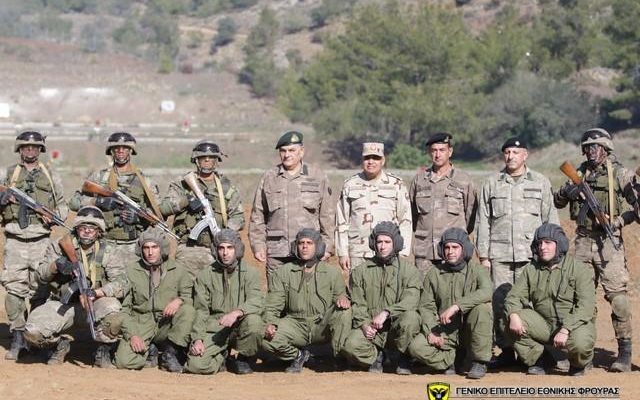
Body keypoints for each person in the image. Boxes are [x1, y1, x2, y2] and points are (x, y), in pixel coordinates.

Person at [554, 128, 637, 372]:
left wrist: (617, 222)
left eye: (596, 147)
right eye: (587, 148)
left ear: (606, 149)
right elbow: (557, 201)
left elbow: (636, 211)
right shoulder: (578, 173)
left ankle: (624, 354)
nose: (591, 152)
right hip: (582, 242)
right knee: (581, 299)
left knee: (619, 300)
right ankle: (583, 353)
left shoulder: (620, 174)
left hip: (609, 244)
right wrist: (567, 192)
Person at [475, 137, 559, 368]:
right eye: (507, 152)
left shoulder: (540, 182)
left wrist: (552, 254)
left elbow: (550, 220)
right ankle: (506, 350)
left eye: (515, 152)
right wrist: (484, 256)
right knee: (500, 303)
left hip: (532, 257)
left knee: (531, 303)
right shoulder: (491, 183)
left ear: (525, 155)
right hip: (500, 256)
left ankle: (533, 353)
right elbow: (483, 221)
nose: (510, 156)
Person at [24, 206, 127, 367]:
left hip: (93, 302)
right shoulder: (60, 246)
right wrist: (56, 265)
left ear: (99, 231)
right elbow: (39, 276)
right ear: (76, 228)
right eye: (83, 227)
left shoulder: (109, 251)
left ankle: (103, 351)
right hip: (62, 304)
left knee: (114, 314)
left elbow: (121, 282)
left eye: (92, 228)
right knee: (33, 331)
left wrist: (98, 292)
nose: (87, 231)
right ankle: (59, 345)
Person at [0, 131, 68, 360]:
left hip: (41, 241)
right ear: (19, 149)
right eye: (26, 147)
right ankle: (18, 337)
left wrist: (54, 216)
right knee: (13, 291)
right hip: (14, 240)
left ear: (40, 150)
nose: (30, 150)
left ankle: (35, 336)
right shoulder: (8, 174)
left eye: (34, 147)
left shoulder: (51, 175)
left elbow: (63, 205)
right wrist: (2, 200)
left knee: (41, 289)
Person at [505, 223, 596, 376]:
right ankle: (540, 358)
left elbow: (586, 307)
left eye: (548, 242)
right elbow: (514, 296)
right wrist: (513, 315)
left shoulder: (579, 269)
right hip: (545, 325)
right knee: (509, 319)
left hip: (573, 325)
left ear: (559, 245)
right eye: (539, 243)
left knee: (580, 343)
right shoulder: (532, 269)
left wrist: (566, 329)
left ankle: (578, 364)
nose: (542, 247)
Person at [249, 131, 335, 284]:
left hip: (309, 251)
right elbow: (258, 215)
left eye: (291, 150)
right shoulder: (269, 177)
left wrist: (327, 247)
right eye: (283, 151)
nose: (287, 155)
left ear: (301, 151)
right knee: (277, 295)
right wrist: (258, 245)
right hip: (277, 253)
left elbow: (327, 216)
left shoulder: (317, 176)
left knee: (308, 294)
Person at [262, 228, 351, 373]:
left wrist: (342, 298)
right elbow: (272, 305)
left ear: (318, 247)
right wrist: (270, 323)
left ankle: (338, 356)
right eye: (301, 243)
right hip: (295, 323)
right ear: (295, 246)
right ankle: (298, 356)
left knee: (344, 312)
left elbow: (340, 296)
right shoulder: (284, 272)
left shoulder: (332, 273)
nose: (304, 246)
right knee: (263, 338)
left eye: (309, 243)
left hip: (321, 325)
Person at [408, 227, 492, 379]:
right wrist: (430, 332)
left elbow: (487, 291)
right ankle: (450, 361)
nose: (450, 251)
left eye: (455, 247)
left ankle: (479, 361)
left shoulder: (477, 270)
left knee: (482, 309)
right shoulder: (434, 273)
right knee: (416, 347)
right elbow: (426, 306)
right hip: (446, 332)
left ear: (464, 249)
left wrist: (457, 306)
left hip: (469, 332)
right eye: (447, 247)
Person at [69, 131, 162, 266]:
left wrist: (138, 218)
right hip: (103, 245)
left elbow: (158, 213)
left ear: (131, 150)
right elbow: (74, 202)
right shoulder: (99, 177)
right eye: (116, 148)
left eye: (125, 148)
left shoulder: (145, 181)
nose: (120, 151)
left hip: (134, 246)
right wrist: (99, 202)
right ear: (111, 151)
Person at [341, 221, 420, 374]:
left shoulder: (409, 271)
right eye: (379, 242)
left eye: (387, 242)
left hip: (396, 329)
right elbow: (358, 303)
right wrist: (364, 325)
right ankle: (376, 356)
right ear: (373, 243)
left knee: (412, 318)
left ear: (395, 243)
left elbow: (411, 300)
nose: (382, 246)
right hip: (372, 330)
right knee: (350, 345)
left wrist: (387, 312)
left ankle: (401, 356)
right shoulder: (361, 271)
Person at [114, 227, 195, 372]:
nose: (150, 252)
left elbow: (190, 297)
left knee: (187, 311)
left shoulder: (178, 270)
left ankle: (170, 353)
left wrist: (179, 301)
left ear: (162, 248)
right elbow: (125, 310)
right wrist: (132, 335)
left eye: (154, 247)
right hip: (141, 323)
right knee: (124, 362)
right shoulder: (132, 271)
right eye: (146, 248)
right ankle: (150, 350)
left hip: (166, 324)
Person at [160, 140, 245, 278]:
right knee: (185, 287)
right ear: (196, 160)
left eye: (211, 157)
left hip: (217, 248)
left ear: (217, 160)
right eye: (203, 157)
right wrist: (187, 200)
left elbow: (238, 217)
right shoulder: (182, 185)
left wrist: (225, 234)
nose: (207, 160)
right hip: (188, 249)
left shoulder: (226, 188)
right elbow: (164, 209)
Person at [184, 229, 263, 375]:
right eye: (221, 248)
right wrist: (198, 339)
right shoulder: (205, 275)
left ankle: (244, 358)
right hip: (216, 328)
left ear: (237, 249)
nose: (225, 253)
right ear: (216, 250)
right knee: (195, 365)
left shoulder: (250, 273)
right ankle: (223, 358)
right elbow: (201, 310)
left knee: (255, 322)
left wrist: (237, 312)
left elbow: (257, 300)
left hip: (241, 326)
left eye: (229, 248)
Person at [336, 142, 412, 273]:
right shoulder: (350, 185)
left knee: (387, 285)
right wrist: (343, 252)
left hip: (388, 251)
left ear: (383, 160)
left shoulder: (396, 184)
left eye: (376, 158)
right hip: (358, 252)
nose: (371, 162)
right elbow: (342, 221)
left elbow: (405, 220)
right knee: (358, 285)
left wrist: (403, 251)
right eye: (367, 158)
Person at [409, 133, 477, 277]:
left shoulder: (464, 180)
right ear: (429, 152)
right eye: (434, 150)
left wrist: (457, 235)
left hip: (453, 251)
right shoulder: (419, 180)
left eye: (442, 150)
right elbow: (413, 215)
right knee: (423, 290)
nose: (437, 154)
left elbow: (470, 215)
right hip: (425, 252)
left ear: (450, 152)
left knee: (453, 290)